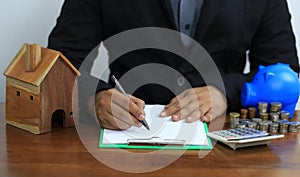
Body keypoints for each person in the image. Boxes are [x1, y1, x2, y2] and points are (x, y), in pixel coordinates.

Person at [48, 0, 299, 130]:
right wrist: (94, 98)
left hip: (224, 149)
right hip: (129, 136)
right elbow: (59, 64)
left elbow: (286, 74)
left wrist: (226, 92)